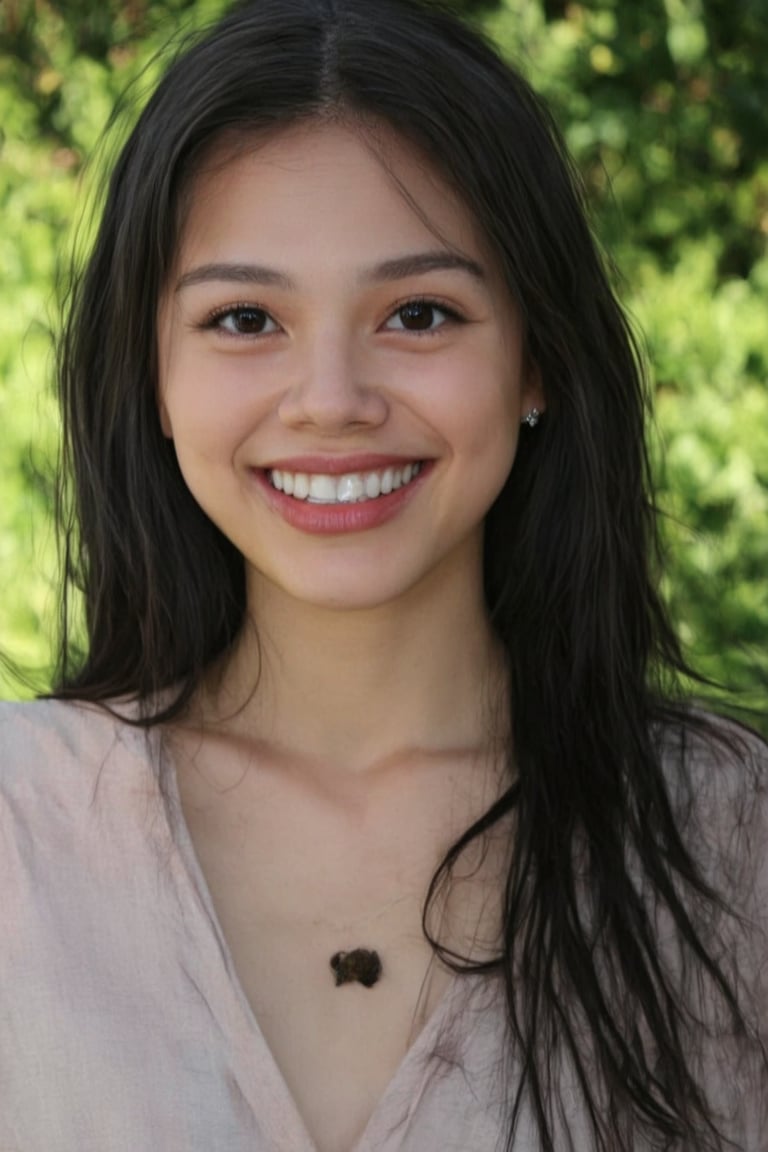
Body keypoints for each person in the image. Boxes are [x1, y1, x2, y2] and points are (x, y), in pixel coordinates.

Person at [0, 0, 765, 1149]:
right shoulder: (18, 827)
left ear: (536, 358)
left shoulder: (730, 841)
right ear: (151, 376)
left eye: (419, 312)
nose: (332, 401)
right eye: (246, 317)